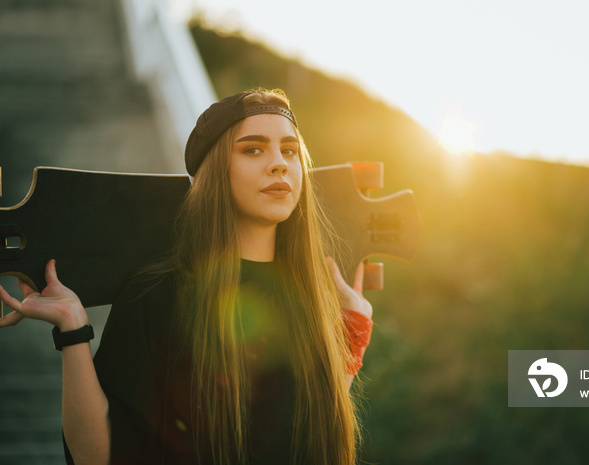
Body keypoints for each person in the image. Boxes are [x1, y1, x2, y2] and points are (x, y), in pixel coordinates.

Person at [0, 89, 374, 465]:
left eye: (289, 150)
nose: (279, 164)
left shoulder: (310, 301)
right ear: (212, 174)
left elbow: (318, 438)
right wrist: (73, 329)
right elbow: (99, 457)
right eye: (253, 149)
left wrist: (350, 338)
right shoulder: (156, 296)